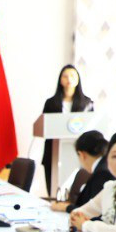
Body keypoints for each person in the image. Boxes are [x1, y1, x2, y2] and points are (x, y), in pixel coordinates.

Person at [39, 64, 95, 196]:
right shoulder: (51, 103)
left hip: (77, 152)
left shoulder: (87, 103)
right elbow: (44, 124)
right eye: (65, 76)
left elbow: (90, 128)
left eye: (72, 76)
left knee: (76, 191)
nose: (69, 79)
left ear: (78, 79)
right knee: (53, 191)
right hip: (54, 152)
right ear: (60, 79)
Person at [49, 130, 110, 214]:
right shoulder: (104, 167)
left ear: (82, 155)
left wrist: (66, 207)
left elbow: (92, 211)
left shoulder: (102, 173)